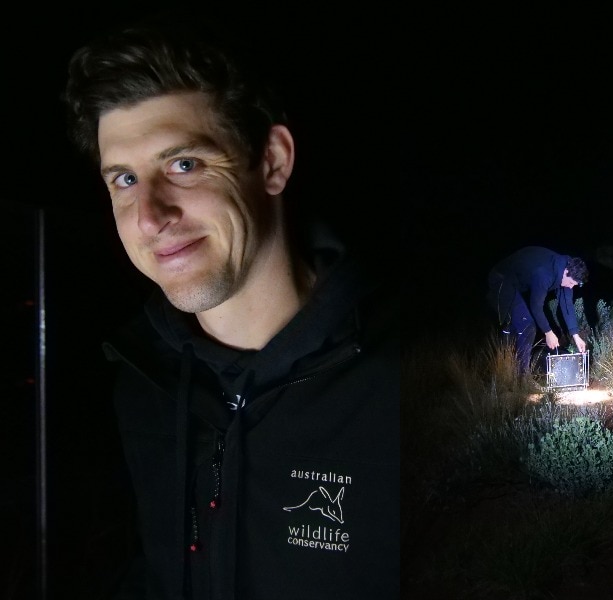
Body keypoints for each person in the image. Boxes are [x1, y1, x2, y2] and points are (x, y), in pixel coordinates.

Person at [62, 14, 400, 600]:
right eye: (123, 179)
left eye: (184, 165)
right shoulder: (142, 384)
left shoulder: (407, 382)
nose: (150, 217)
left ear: (271, 162)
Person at [486, 246, 589, 373]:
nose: (571, 287)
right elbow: (536, 306)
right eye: (571, 283)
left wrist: (576, 335)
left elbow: (567, 304)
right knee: (526, 325)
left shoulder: (567, 271)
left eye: (574, 285)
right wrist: (548, 333)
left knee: (518, 322)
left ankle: (511, 371)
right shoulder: (544, 274)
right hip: (502, 278)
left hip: (516, 282)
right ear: (566, 272)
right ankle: (522, 377)